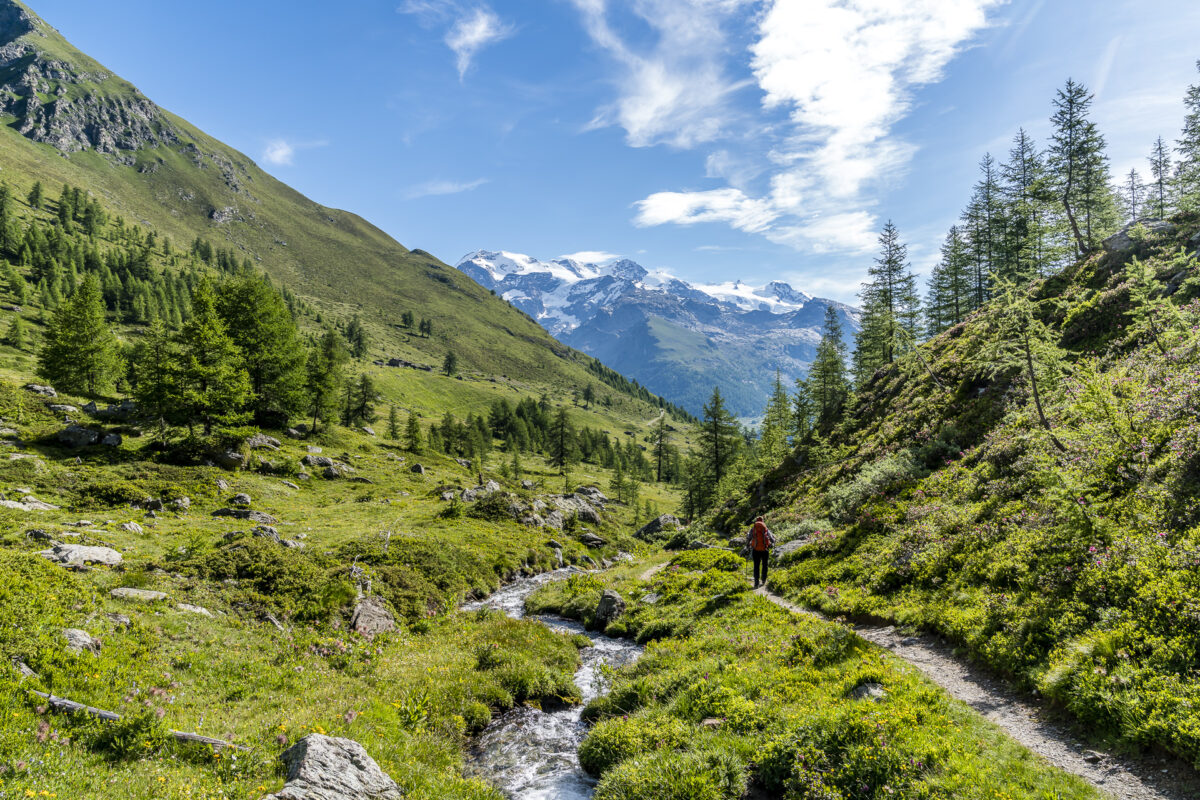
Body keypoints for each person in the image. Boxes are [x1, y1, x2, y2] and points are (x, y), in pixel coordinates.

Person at [746, 516, 775, 589]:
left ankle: (756, 582)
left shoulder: (753, 529)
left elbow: (748, 537)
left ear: (756, 521)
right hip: (765, 550)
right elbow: (772, 539)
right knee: (765, 565)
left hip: (755, 550)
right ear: (763, 521)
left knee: (756, 566)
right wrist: (771, 544)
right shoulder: (765, 529)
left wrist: (748, 546)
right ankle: (763, 580)